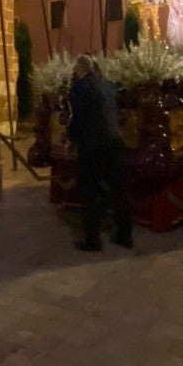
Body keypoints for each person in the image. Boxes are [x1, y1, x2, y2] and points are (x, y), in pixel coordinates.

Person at [67, 55, 133, 249]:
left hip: (92, 146)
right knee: (119, 191)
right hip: (115, 143)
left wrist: (71, 139)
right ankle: (125, 236)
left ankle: (93, 240)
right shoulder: (109, 85)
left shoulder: (79, 88)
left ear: (80, 70)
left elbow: (77, 118)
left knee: (89, 192)